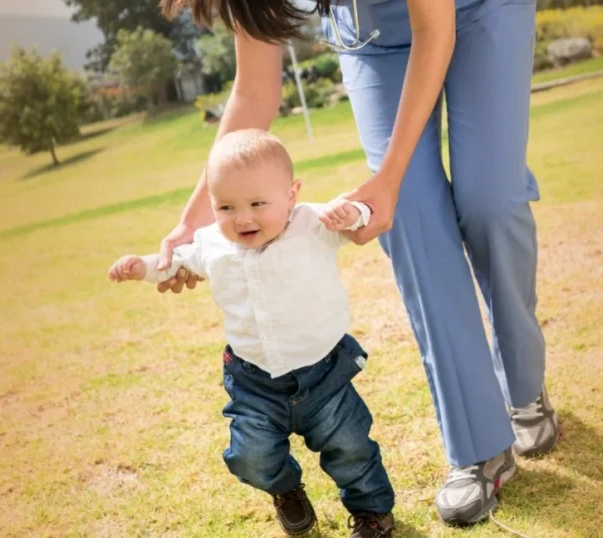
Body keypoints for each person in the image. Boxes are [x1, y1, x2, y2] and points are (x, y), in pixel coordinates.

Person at [156, 0, 559, 526]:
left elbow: (434, 30)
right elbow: (253, 91)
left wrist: (389, 177)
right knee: (411, 218)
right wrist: (193, 224)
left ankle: (524, 386)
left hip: (480, 11)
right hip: (373, 38)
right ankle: (479, 446)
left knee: (490, 202)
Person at [108, 129, 396, 538]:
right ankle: (286, 489)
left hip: (324, 375)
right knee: (250, 456)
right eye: (226, 207)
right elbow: (174, 263)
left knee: (351, 447)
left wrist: (353, 214)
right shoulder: (211, 243)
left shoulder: (311, 223)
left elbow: (360, 216)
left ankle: (372, 513)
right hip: (254, 382)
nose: (242, 218)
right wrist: (142, 266)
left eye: (258, 204)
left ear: (291, 195)